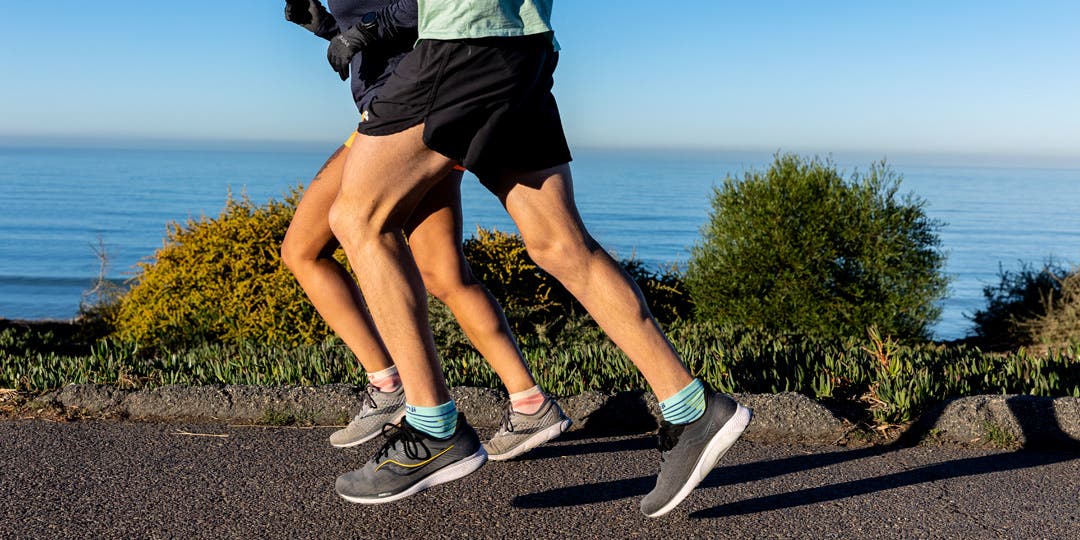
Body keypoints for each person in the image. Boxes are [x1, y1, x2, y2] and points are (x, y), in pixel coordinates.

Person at [325, 0, 753, 517]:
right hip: (521, 43)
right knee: (559, 244)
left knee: (358, 219)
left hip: (464, 38)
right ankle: (691, 408)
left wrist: (372, 27)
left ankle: (434, 427)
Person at [280, 0, 570, 461]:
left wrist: (361, 33)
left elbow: (430, 8)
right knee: (443, 275)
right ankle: (530, 402)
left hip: (410, 110)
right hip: (416, 105)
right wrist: (328, 28)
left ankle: (389, 384)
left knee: (305, 249)